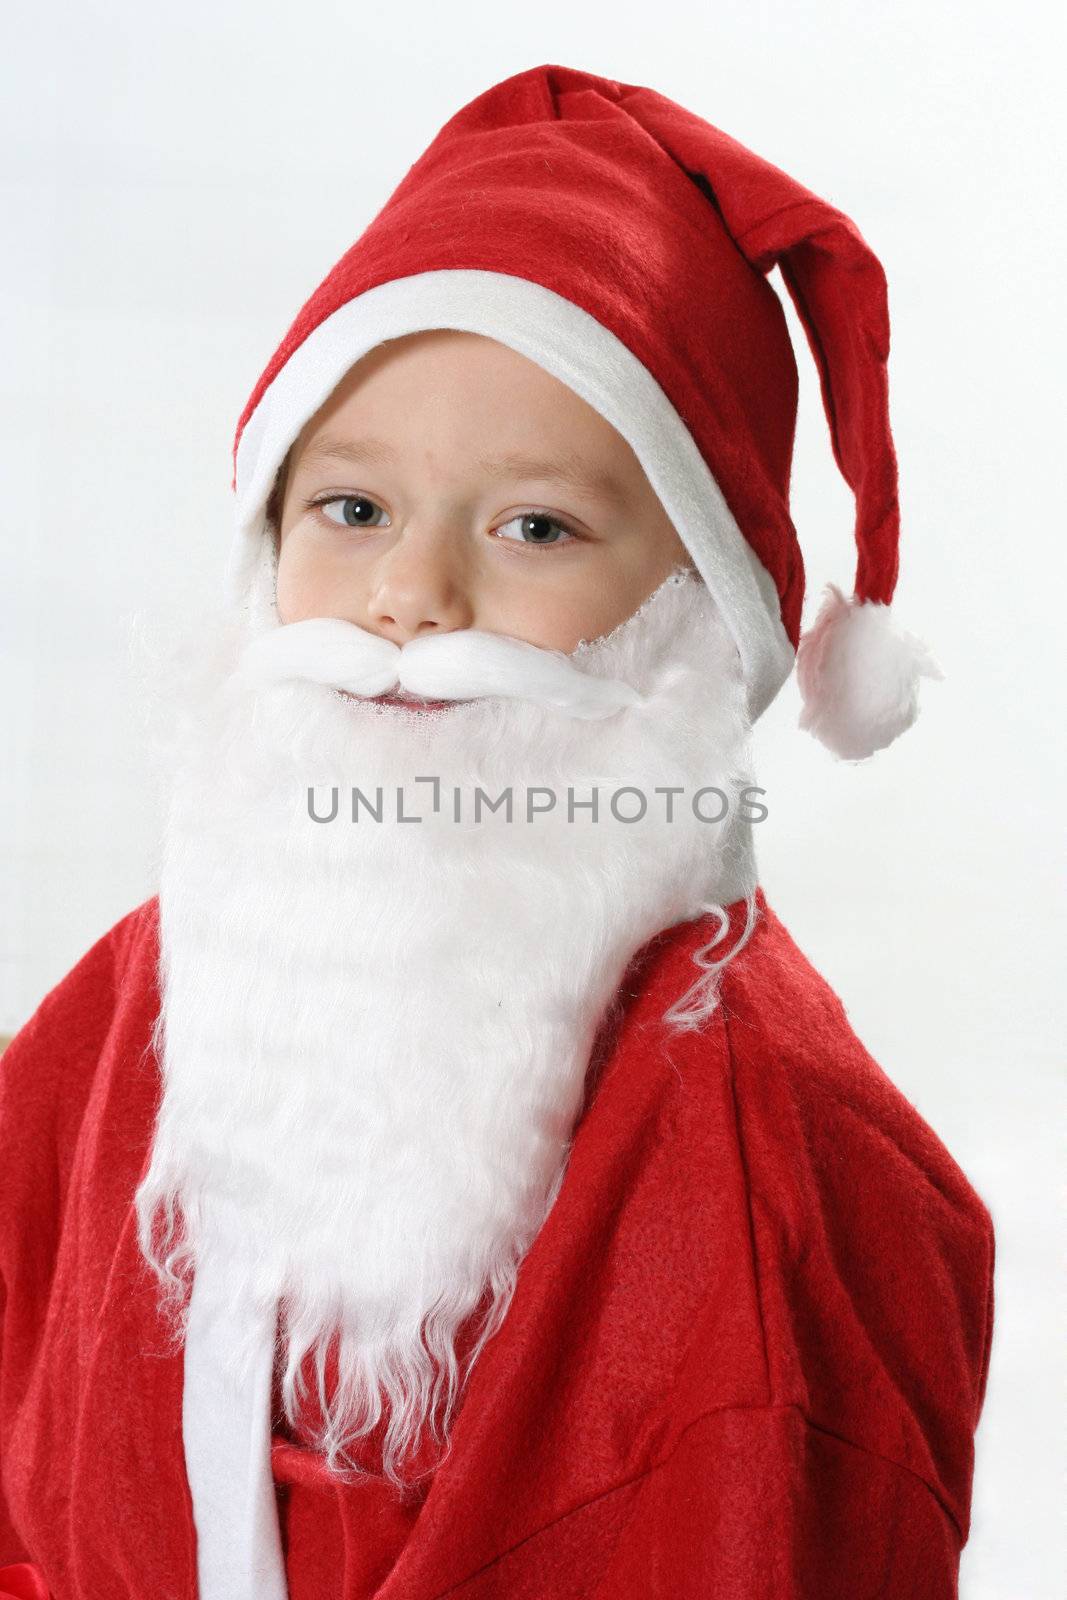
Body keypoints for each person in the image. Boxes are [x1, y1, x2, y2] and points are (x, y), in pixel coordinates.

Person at [0, 62, 994, 1600]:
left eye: (535, 527)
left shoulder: (775, 1155)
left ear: (696, 624)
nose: (411, 602)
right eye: (349, 510)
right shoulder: (132, 1003)